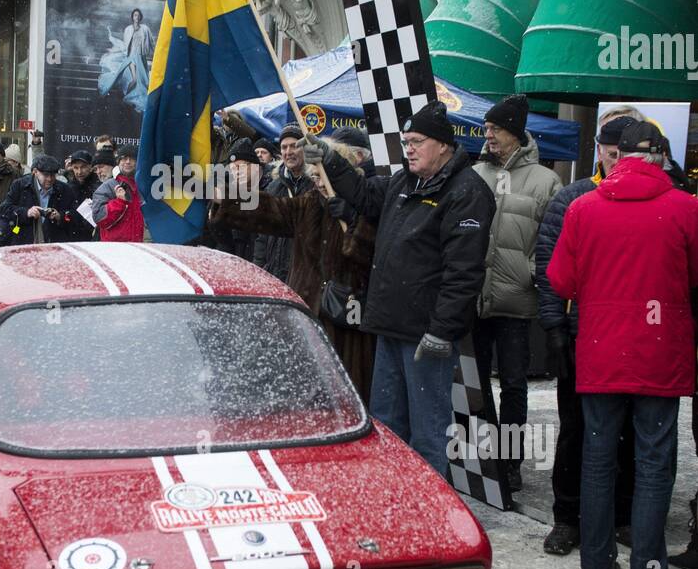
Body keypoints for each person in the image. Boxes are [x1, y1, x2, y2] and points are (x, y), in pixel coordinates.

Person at [547, 120, 698, 569]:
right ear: (661, 158)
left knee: (597, 459)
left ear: (617, 157)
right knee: (654, 464)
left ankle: (596, 566)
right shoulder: (686, 208)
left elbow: (560, 281)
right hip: (659, 353)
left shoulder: (583, 208)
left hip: (600, 351)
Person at [313, 101, 495, 478]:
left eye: (417, 141)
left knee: (428, 433)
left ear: (443, 145)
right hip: (389, 326)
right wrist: (330, 159)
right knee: (387, 427)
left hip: (425, 335)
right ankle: (394, 505)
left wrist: (442, 331)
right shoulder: (404, 180)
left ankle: (430, 520)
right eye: (405, 141)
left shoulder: (466, 191)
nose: (408, 148)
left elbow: (463, 273)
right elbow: (363, 196)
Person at [536, 114, 638, 556]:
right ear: (598, 150)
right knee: (575, 429)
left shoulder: (652, 196)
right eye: (609, 153)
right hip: (582, 334)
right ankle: (567, 516)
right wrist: (556, 329)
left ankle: (623, 515)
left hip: (632, 335)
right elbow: (548, 268)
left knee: (630, 431)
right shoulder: (574, 196)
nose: (614, 162)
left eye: (622, 154)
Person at [210, 138, 376, 400]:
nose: (320, 183)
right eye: (315, 177)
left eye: (325, 176)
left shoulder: (366, 208)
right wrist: (226, 197)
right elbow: (270, 208)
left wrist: (354, 223)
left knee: (346, 394)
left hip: (347, 319)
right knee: (307, 392)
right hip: (309, 311)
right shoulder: (309, 202)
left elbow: (367, 260)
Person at [471, 95, 561, 492]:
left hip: (516, 299)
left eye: (495, 129)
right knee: (475, 383)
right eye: (487, 129)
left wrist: (531, 272)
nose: (488, 135)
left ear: (515, 133)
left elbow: (553, 241)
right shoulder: (474, 173)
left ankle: (510, 464)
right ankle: (483, 454)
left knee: (513, 385)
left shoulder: (545, 181)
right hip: (474, 297)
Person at [252, 124, 313, 284]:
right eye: (284, 147)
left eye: (294, 146)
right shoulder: (273, 188)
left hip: (304, 278)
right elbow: (262, 235)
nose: (288, 152)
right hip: (274, 274)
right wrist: (259, 270)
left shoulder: (318, 185)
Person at [0, 155, 83, 244]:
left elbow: (75, 215)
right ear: (35, 172)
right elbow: (5, 210)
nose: (49, 179)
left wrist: (60, 216)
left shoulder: (64, 190)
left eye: (53, 175)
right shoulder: (20, 186)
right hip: (24, 242)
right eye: (45, 175)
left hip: (53, 244)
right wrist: (26, 212)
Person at [92, 145, 145, 242]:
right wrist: (119, 202)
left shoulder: (143, 186)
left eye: (132, 159)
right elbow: (99, 218)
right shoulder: (108, 186)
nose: (128, 162)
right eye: (124, 158)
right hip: (115, 249)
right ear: (118, 162)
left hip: (139, 247)